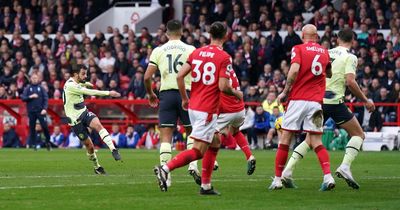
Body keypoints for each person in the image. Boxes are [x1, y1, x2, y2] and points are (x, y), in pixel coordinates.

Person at [154, 22, 243, 195]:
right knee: (198, 151)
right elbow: (223, 86)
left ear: (209, 34)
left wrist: (185, 98)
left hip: (194, 106)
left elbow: (180, 76)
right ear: (226, 36)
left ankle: (206, 185)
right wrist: (236, 93)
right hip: (208, 109)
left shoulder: (197, 52)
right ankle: (165, 168)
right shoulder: (224, 57)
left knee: (215, 142)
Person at [281, 28, 375, 190]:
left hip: (317, 100)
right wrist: (365, 100)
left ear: (337, 39)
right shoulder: (350, 57)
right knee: (359, 134)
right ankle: (345, 167)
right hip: (334, 102)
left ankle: (287, 171)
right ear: (353, 41)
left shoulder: (326, 51)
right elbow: (350, 82)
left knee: (310, 139)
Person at [268, 24, 334, 191]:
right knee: (316, 140)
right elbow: (330, 73)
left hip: (298, 99)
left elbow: (294, 70)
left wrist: (284, 91)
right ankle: (328, 176)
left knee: (285, 138)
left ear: (303, 35)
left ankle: (277, 179)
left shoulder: (298, 48)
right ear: (317, 37)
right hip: (316, 102)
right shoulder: (325, 51)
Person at [144, 20, 199, 186]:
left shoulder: (159, 50)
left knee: (166, 136)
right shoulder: (191, 50)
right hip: (187, 94)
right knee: (193, 132)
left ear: (166, 34)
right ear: (182, 32)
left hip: (166, 94)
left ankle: (165, 176)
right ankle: (193, 165)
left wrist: (151, 93)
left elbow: (147, 77)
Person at [63, 64, 122, 175]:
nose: (85, 76)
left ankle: (113, 149)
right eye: (83, 74)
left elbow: (83, 83)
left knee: (98, 125)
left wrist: (87, 83)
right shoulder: (71, 86)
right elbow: (91, 92)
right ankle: (97, 167)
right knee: (90, 147)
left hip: (84, 113)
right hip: (75, 120)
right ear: (76, 74)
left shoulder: (76, 81)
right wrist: (109, 93)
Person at [21, 73, 51, 150]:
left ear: (38, 79)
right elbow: (23, 97)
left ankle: (48, 142)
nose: (34, 79)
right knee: (32, 128)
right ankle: (33, 144)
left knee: (45, 127)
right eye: (33, 78)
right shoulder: (28, 88)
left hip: (40, 111)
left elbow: (46, 99)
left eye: (36, 78)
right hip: (31, 112)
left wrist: (44, 109)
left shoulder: (41, 88)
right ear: (31, 79)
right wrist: (30, 96)